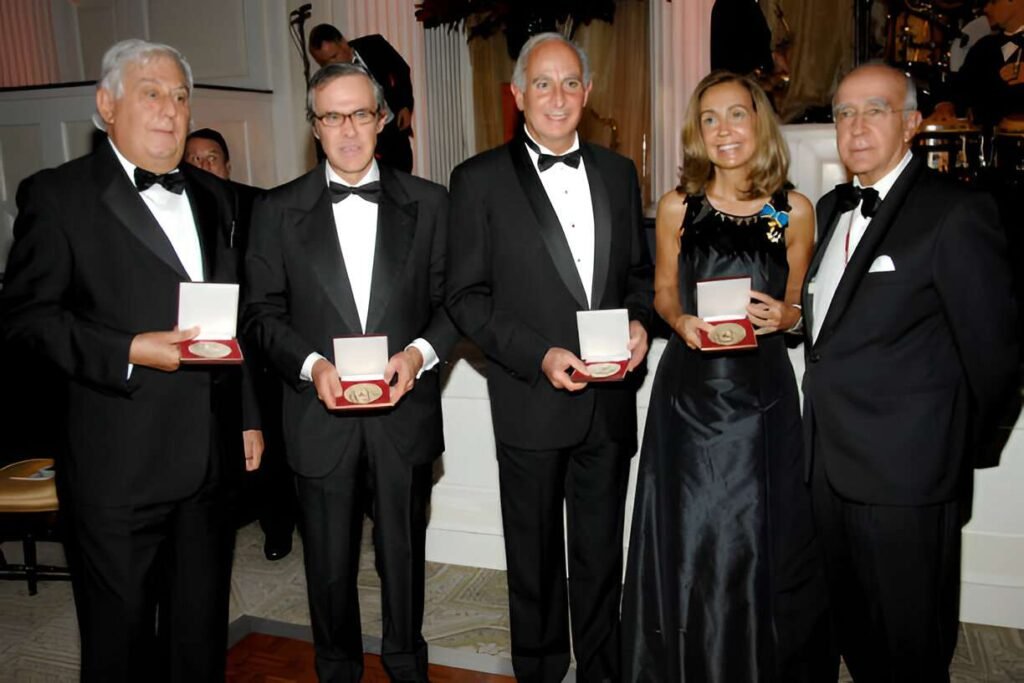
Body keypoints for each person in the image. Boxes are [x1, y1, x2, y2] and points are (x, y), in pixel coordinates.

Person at [0, 39, 261, 681]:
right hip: (118, 470)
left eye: (179, 96)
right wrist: (126, 349)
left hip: (207, 463)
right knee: (117, 651)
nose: (170, 110)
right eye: (151, 93)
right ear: (106, 105)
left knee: (198, 642)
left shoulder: (218, 198)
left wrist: (248, 415)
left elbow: (235, 320)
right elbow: (26, 319)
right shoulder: (58, 196)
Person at [445, 33, 653, 683]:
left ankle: (601, 670)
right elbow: (466, 298)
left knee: (599, 556)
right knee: (532, 558)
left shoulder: (620, 174)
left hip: (609, 402)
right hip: (530, 398)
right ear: (516, 94)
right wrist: (540, 355)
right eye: (542, 83)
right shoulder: (476, 180)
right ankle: (537, 669)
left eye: (570, 83)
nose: (557, 97)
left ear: (588, 94)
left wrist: (643, 324)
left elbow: (640, 278)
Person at [803, 63, 1019, 680]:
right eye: (845, 112)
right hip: (827, 467)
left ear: (912, 123)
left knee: (911, 650)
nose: (857, 125)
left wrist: (955, 455)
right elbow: (836, 329)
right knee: (858, 639)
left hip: (910, 479)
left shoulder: (956, 211)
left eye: (875, 109)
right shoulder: (830, 205)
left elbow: (996, 353)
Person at [242, 62, 456, 682]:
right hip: (318, 415)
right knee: (328, 565)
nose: (348, 129)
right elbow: (260, 313)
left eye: (361, 113)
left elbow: (454, 305)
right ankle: (336, 668)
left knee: (404, 556)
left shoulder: (431, 203)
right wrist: (311, 367)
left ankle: (405, 664)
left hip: (404, 413)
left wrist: (419, 354)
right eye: (332, 116)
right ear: (314, 126)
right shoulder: (277, 210)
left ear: (383, 121)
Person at [620, 69, 830, 682]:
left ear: (759, 121)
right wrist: (679, 320)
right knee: (688, 532)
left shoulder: (788, 210)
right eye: (710, 119)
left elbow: (796, 304)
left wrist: (787, 316)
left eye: (736, 115)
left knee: (756, 535)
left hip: (761, 397)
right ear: (697, 132)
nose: (724, 130)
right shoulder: (677, 207)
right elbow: (661, 292)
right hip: (688, 395)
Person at [184, 127, 298, 561]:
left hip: (260, 344)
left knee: (274, 439)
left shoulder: (258, 203)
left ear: (227, 164)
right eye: (193, 159)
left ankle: (281, 524)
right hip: (202, 345)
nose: (202, 166)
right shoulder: (175, 208)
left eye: (210, 157)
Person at [309, 24, 414, 172]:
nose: (332, 64)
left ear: (343, 42)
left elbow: (401, 69)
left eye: (334, 56)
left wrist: (405, 105)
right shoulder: (328, 83)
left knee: (403, 179)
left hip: (394, 126)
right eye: (324, 63)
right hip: (364, 140)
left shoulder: (374, 45)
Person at [930, 0, 1024, 127]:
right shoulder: (984, 46)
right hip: (986, 143)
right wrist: (945, 105)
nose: (985, 9)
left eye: (993, 2)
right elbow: (958, 87)